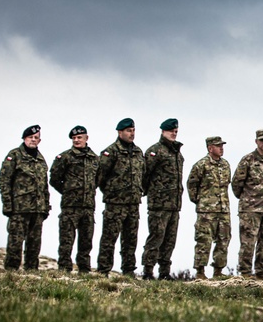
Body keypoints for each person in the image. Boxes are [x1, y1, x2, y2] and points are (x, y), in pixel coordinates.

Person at [0, 124, 51, 270]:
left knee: (34, 244)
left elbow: (44, 185)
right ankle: (11, 272)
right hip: (19, 208)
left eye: (36, 138)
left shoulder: (41, 159)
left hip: (38, 209)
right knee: (15, 243)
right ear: (24, 138)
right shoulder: (14, 155)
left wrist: (46, 207)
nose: (33, 140)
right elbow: (4, 180)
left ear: (39, 141)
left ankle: (31, 272)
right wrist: (7, 204)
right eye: (30, 137)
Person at [96, 118, 145, 276]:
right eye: (128, 131)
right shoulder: (110, 152)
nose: (131, 134)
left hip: (133, 204)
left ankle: (129, 270)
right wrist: (112, 192)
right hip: (115, 204)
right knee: (109, 239)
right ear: (120, 132)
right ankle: (103, 270)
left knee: (130, 240)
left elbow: (142, 175)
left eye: (133, 130)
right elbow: (100, 177)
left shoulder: (138, 152)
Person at [49, 125, 99, 273]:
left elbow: (98, 179)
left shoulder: (95, 159)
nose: (76, 140)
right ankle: (64, 268)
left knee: (86, 242)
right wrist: (67, 192)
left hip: (88, 207)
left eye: (79, 137)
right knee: (66, 241)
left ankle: (84, 269)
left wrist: (88, 191)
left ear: (86, 138)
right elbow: (54, 179)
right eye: (74, 138)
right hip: (70, 206)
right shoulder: (64, 157)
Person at [141, 118, 185, 280]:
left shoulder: (177, 153)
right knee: (156, 238)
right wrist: (150, 194)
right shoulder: (155, 151)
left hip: (174, 205)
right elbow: (145, 176)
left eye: (176, 131)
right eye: (171, 131)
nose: (174, 133)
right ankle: (147, 271)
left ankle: (164, 272)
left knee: (169, 240)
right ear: (163, 131)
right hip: (158, 204)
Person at [232, 129, 263, 280]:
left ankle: (261, 271)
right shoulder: (248, 160)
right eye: (261, 140)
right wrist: (246, 199)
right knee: (248, 241)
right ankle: (245, 272)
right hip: (250, 208)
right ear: (256, 141)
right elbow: (236, 183)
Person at [188, 136, 232, 279]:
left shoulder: (225, 165)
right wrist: (200, 202)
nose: (221, 148)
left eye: (222, 146)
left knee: (223, 240)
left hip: (223, 210)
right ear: (210, 148)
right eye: (218, 146)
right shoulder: (201, 165)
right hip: (206, 211)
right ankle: (200, 272)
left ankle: (218, 271)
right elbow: (192, 185)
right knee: (204, 240)